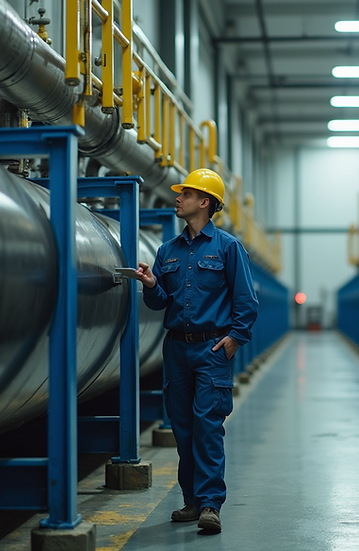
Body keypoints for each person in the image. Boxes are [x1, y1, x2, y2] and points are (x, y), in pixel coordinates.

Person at [136, 168, 259, 533]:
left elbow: (246, 300)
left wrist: (236, 337)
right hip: (176, 349)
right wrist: (151, 284)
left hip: (212, 348)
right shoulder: (167, 251)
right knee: (184, 428)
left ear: (204, 202)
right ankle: (191, 501)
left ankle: (210, 504)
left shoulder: (227, 247)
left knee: (208, 427)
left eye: (186, 194)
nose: (177, 198)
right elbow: (160, 303)